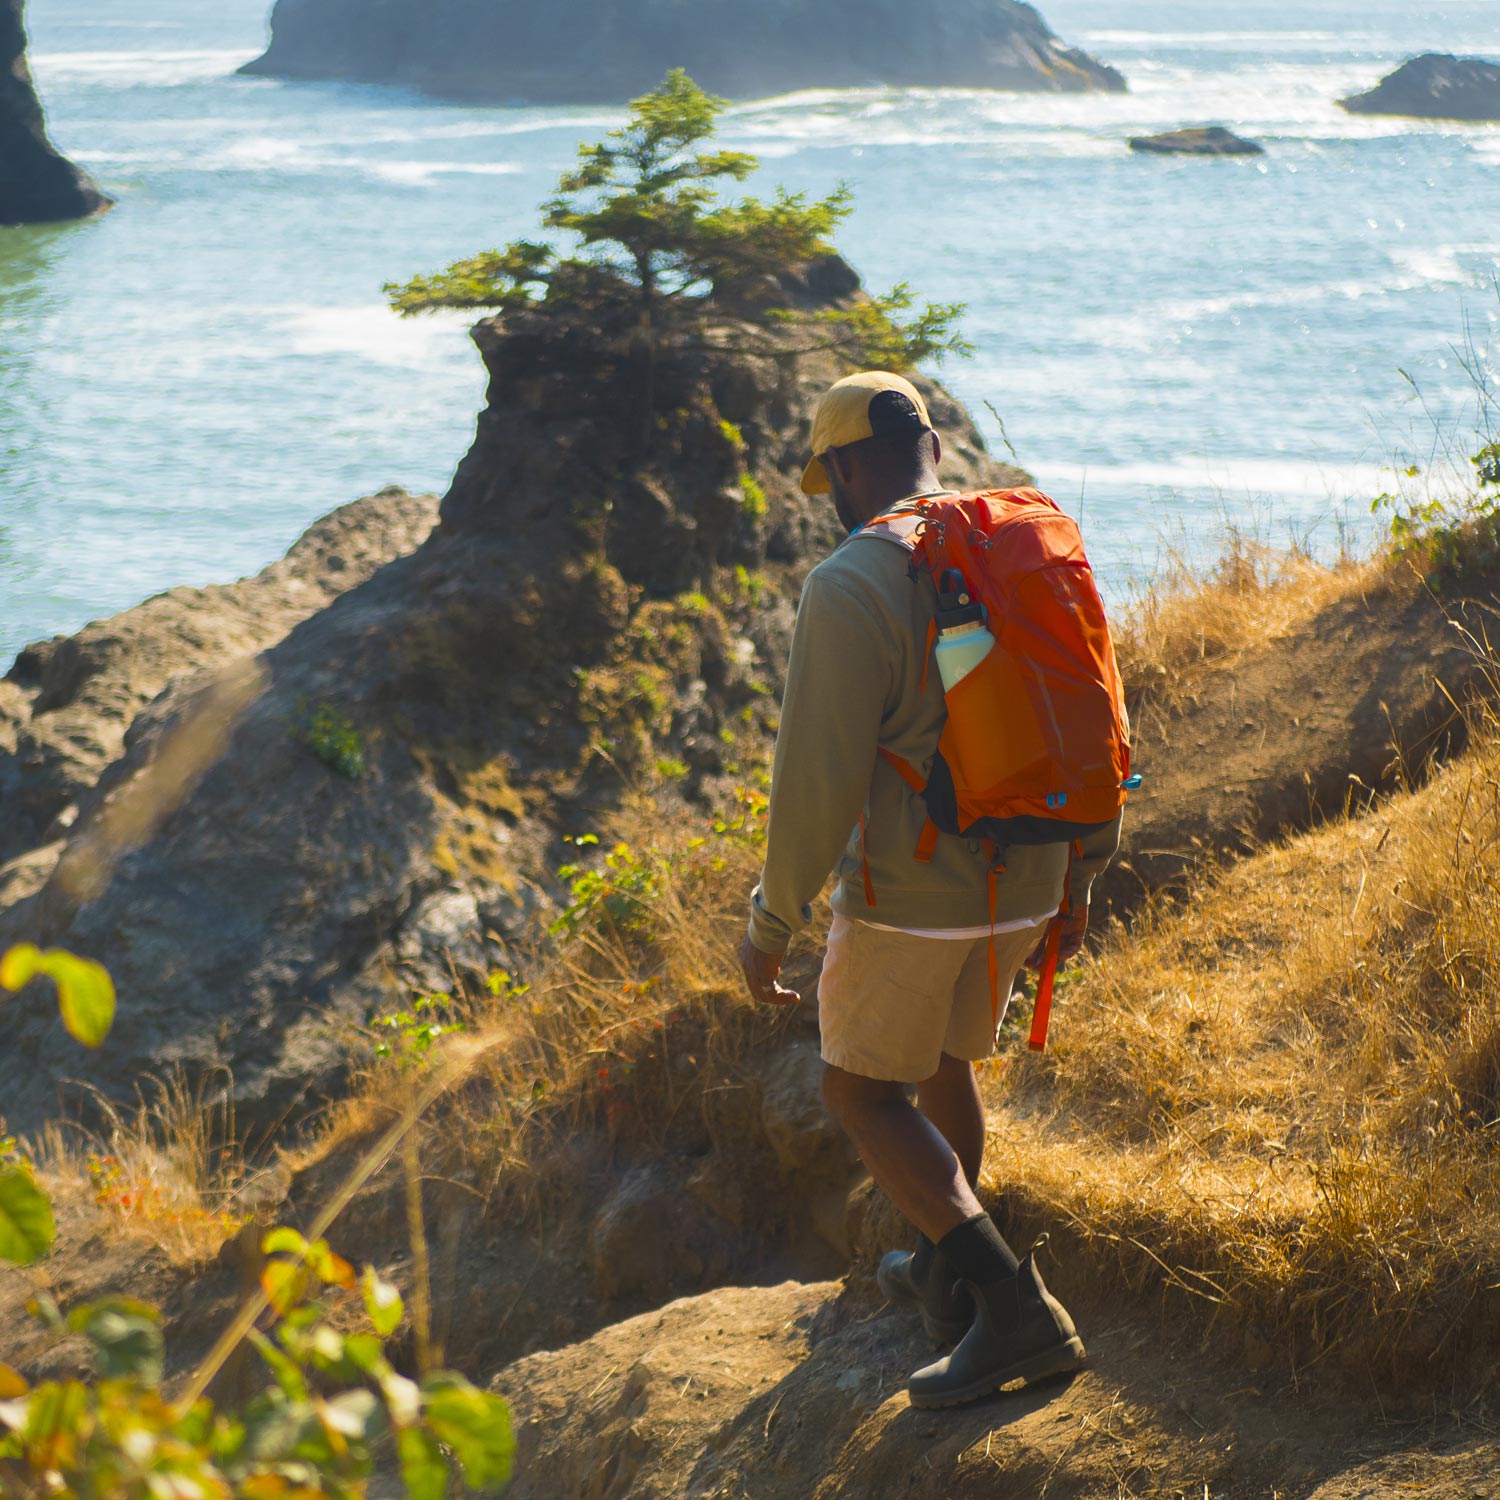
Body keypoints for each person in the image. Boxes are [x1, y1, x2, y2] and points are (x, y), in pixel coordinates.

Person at [738, 371, 1121, 1409]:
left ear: (849, 469)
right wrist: (1083, 870)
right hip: (1032, 870)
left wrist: (770, 924)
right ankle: (946, 1274)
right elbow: (1095, 717)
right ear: (935, 449)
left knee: (861, 1091)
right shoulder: (1031, 537)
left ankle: (1012, 1311)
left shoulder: (852, 580)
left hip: (912, 889)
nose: (832, 497)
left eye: (830, 479)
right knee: (950, 1063)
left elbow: (815, 779)